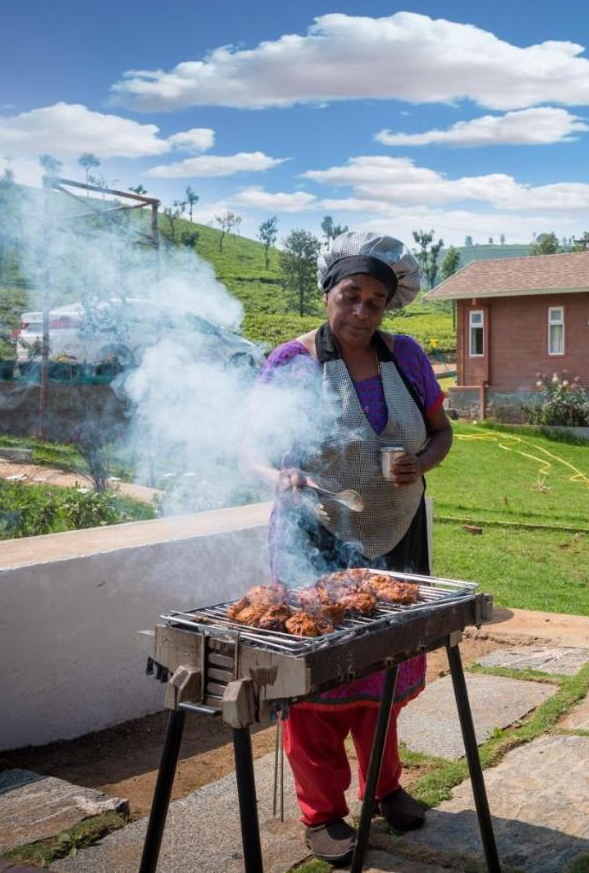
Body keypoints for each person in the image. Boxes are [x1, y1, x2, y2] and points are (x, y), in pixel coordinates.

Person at [243, 231, 452, 866]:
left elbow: (442, 434)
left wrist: (419, 462)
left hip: (396, 532)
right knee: (316, 679)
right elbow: (249, 444)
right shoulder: (291, 362)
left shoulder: (407, 356)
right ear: (328, 292)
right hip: (315, 534)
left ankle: (384, 787)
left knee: (385, 663)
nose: (362, 312)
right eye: (351, 296)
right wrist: (273, 475)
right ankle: (322, 813)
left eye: (376, 301)